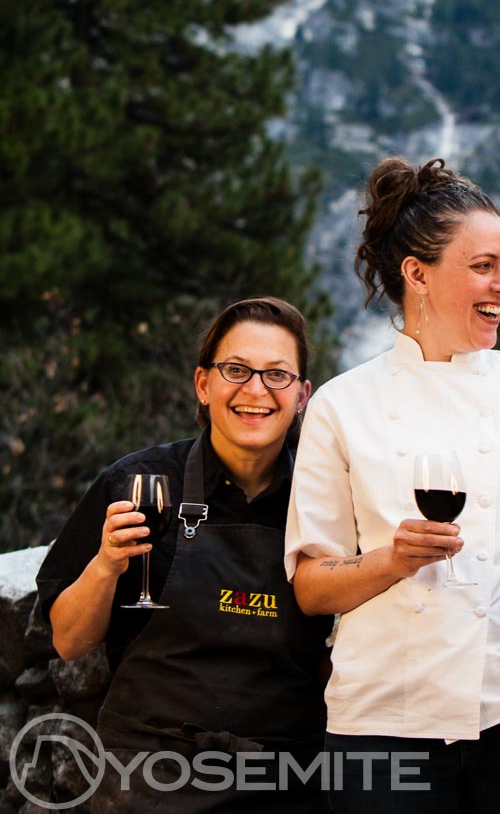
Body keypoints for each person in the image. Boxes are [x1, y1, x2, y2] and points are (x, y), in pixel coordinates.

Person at [286, 156, 500, 812]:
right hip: (382, 726)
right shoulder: (344, 405)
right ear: (417, 275)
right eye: (483, 265)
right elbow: (312, 585)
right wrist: (392, 561)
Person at [36, 297, 332, 812]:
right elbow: (67, 640)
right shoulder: (131, 483)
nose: (256, 390)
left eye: (277, 375)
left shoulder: (330, 498)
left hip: (288, 780)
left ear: (302, 395)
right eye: (236, 370)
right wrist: (106, 564)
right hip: (147, 778)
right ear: (203, 384)